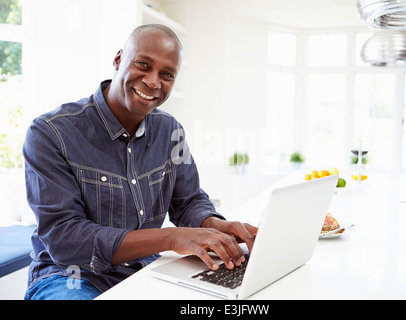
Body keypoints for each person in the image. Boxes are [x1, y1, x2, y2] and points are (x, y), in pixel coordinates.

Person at [23, 24, 258, 300]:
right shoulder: (50, 132)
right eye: (143, 65)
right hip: (69, 278)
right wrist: (172, 238)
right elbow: (66, 239)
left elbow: (189, 200)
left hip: (143, 269)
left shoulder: (170, 131)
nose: (153, 81)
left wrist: (214, 225)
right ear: (118, 59)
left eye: (166, 74)